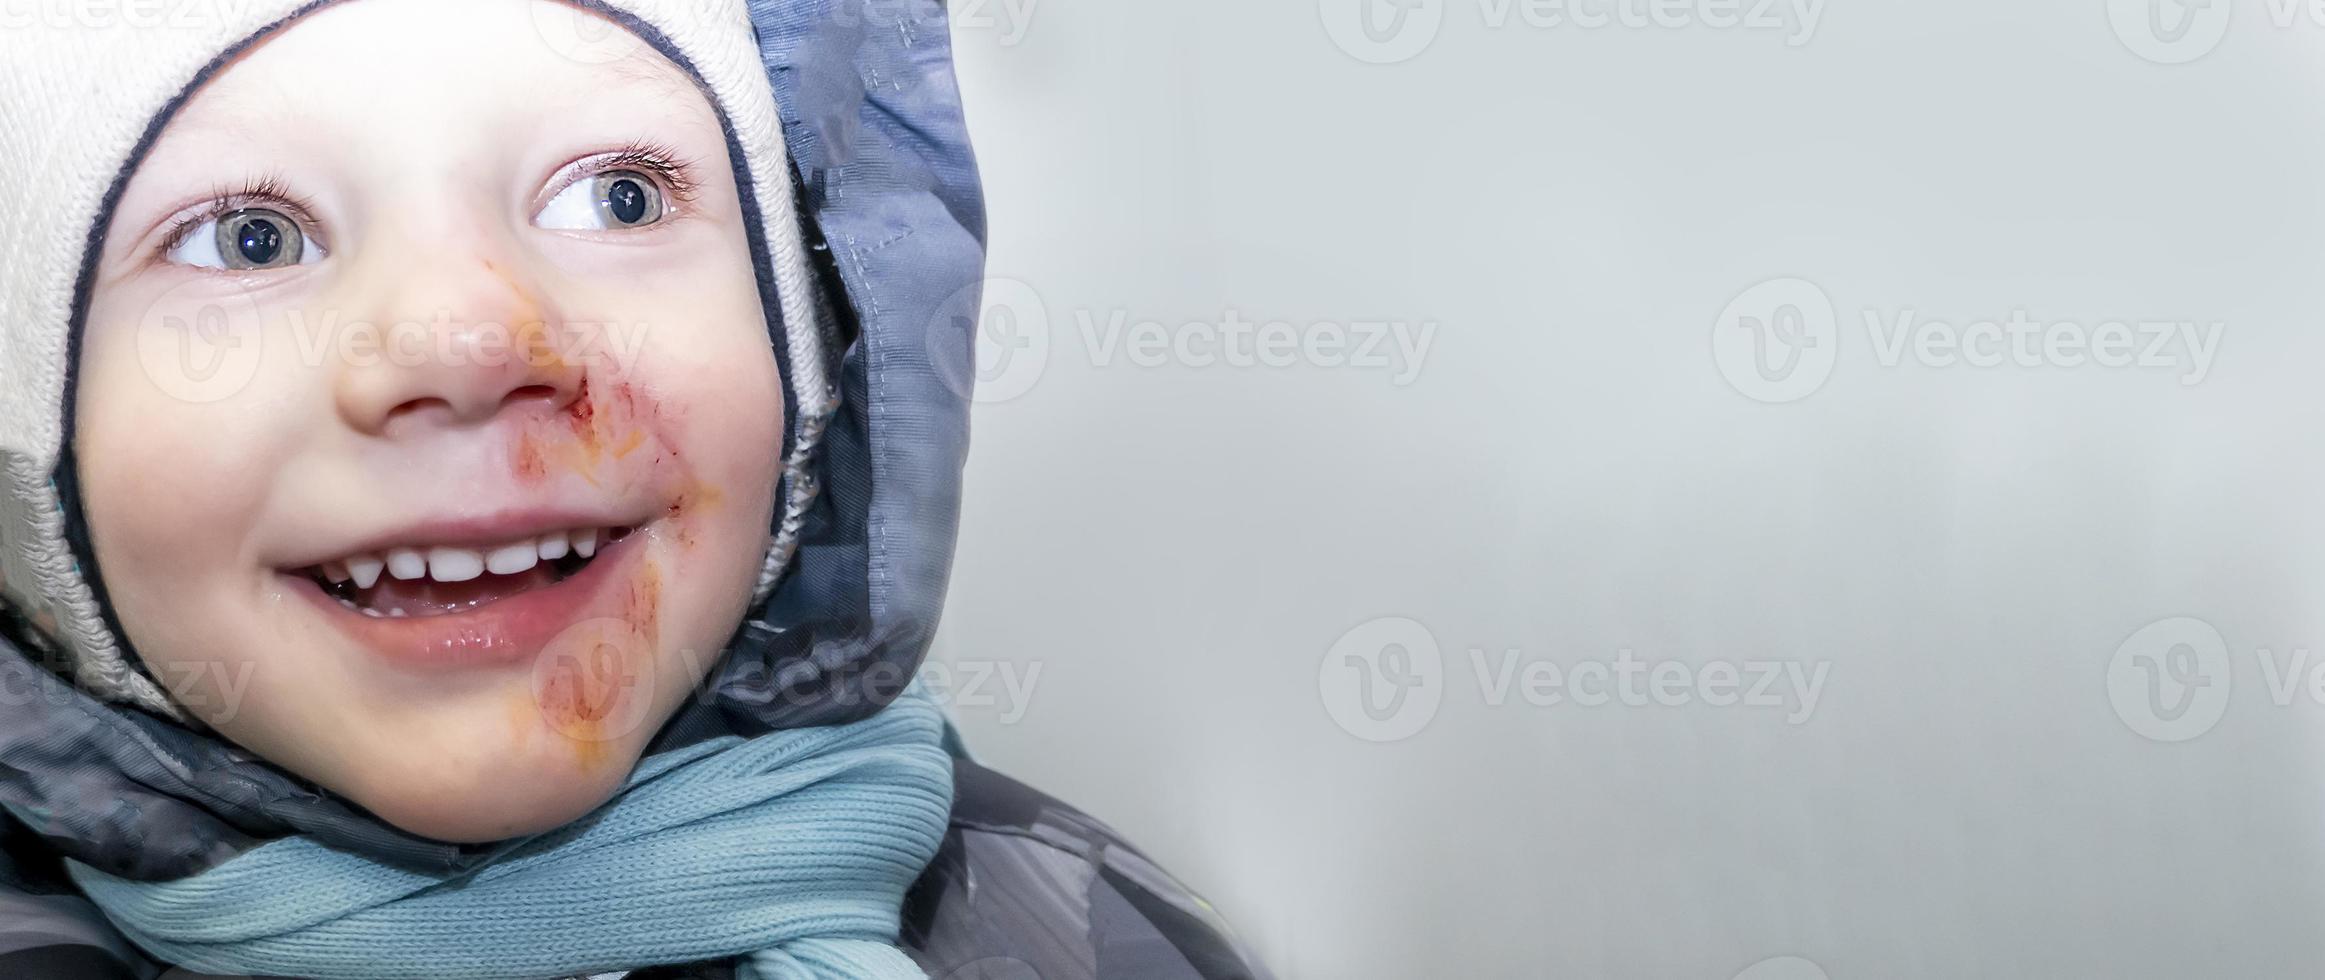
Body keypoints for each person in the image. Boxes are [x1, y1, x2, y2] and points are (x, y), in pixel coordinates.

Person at [0, 1, 1272, 977]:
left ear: (813, 333)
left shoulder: (1093, 930)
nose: (468, 339)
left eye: (617, 198)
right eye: (248, 236)